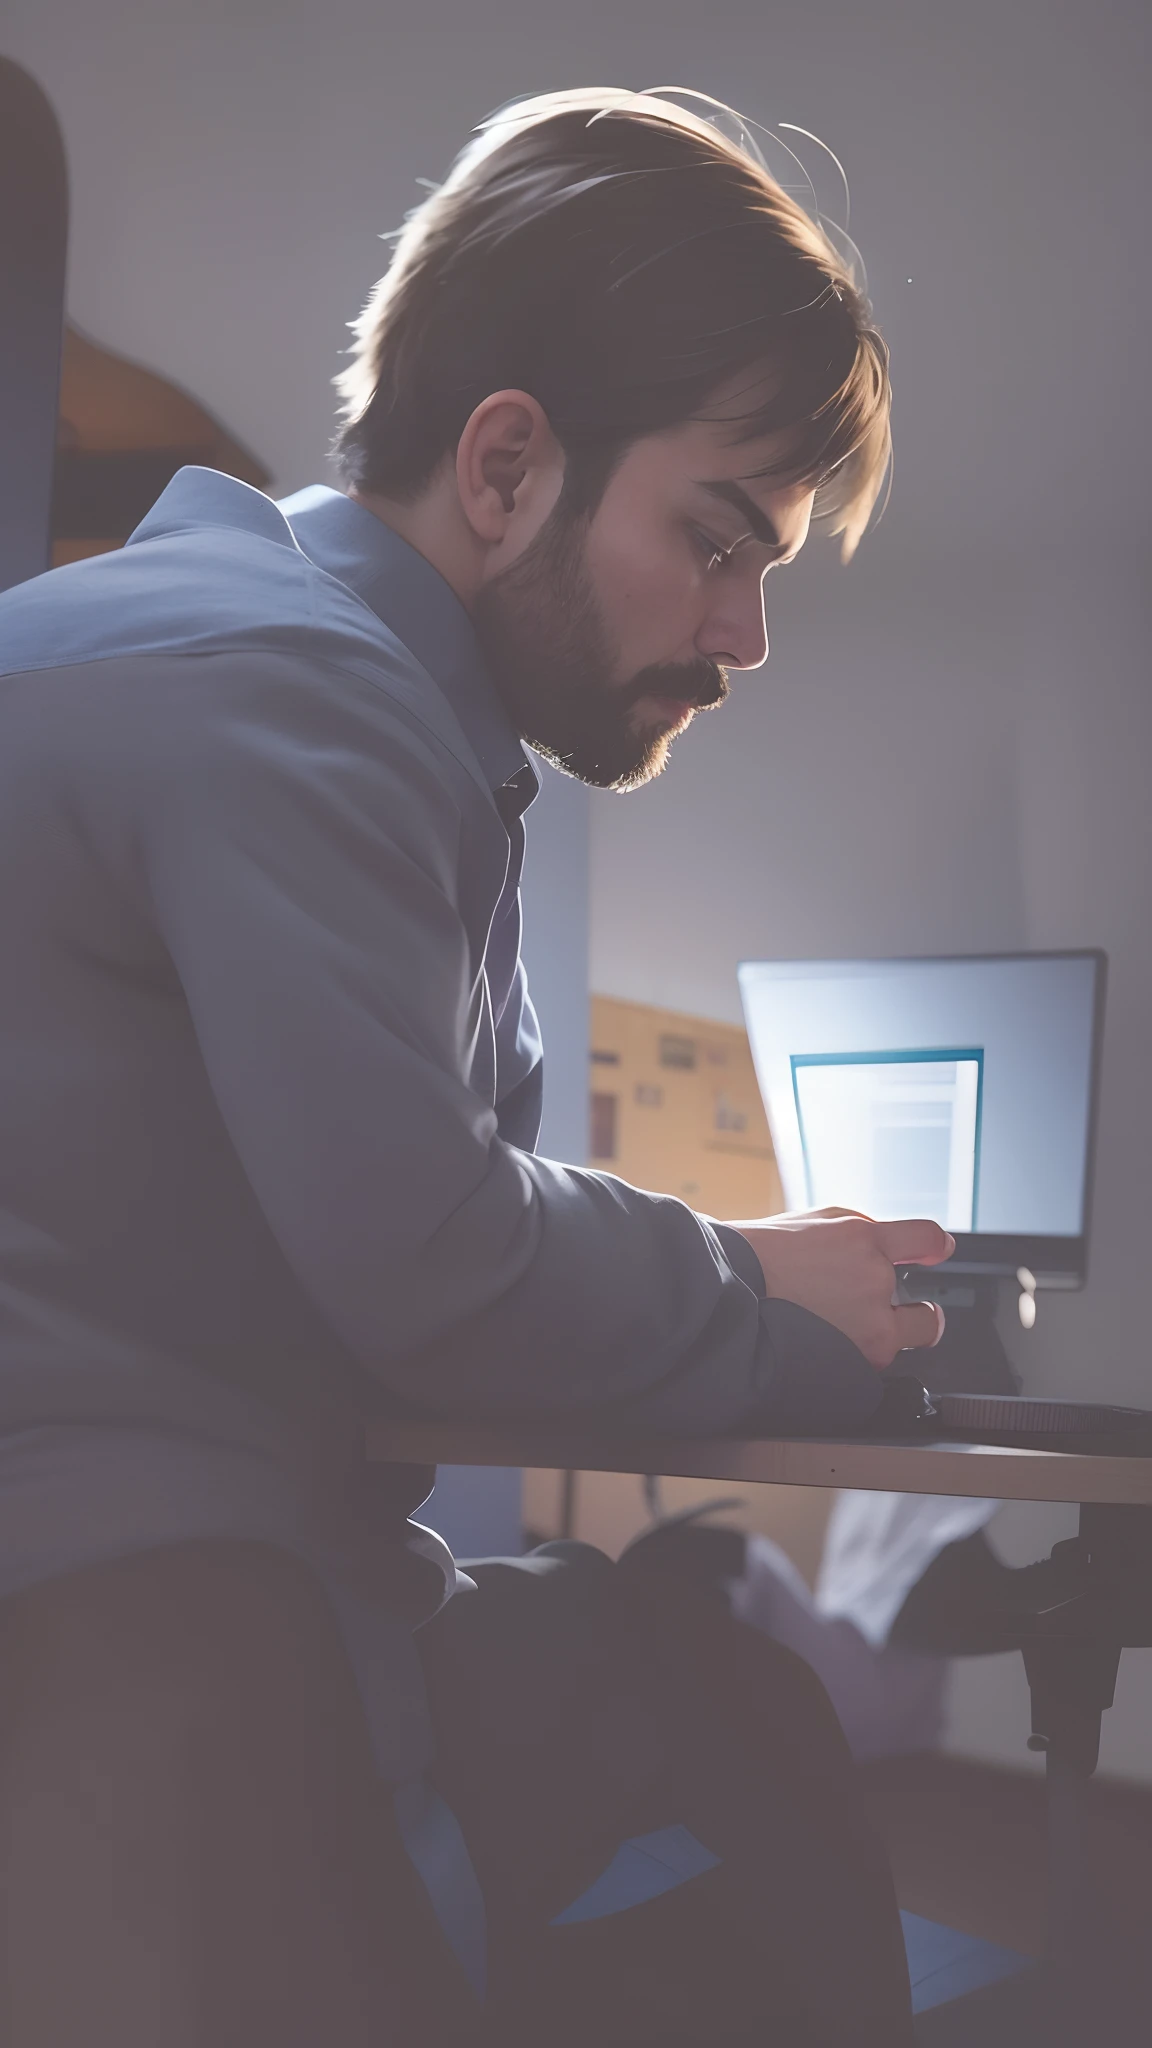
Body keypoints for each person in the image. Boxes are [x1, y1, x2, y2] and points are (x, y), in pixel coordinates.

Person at [0, 88, 954, 2044]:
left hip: (261, 1558)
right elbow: (435, 1270)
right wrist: (763, 1284)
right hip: (124, 1614)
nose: (745, 630)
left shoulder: (293, 668)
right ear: (507, 463)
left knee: (730, 1694)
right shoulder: (298, 699)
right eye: (714, 538)